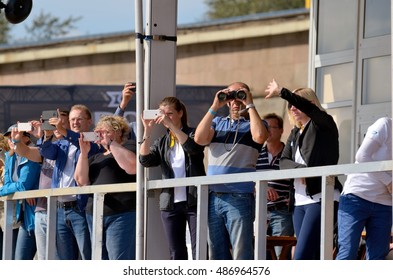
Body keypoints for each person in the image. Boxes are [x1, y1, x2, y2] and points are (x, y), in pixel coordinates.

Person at [264, 79, 342, 260]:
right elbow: (283, 162)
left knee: (300, 257)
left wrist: (282, 91)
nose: (292, 108)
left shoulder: (324, 123)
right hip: (299, 202)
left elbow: (312, 112)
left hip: (321, 197)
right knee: (311, 257)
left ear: (310, 104)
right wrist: (302, 171)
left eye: (296, 103)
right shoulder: (294, 133)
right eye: (290, 105)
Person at [194, 82, 268, 260]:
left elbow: (259, 136)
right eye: (231, 97)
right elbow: (199, 139)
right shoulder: (218, 122)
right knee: (216, 253)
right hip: (213, 196)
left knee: (241, 252)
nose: (235, 101)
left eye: (240, 96)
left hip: (239, 195)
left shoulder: (256, 123)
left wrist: (249, 103)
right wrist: (214, 106)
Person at [139, 97, 205, 260]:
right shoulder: (162, 141)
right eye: (163, 114)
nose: (166, 117)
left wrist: (171, 126)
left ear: (180, 113)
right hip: (170, 202)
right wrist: (147, 131)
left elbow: (193, 149)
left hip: (194, 200)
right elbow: (145, 160)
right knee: (176, 252)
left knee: (199, 249)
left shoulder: (193, 133)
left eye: (170, 114)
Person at [39, 104, 104, 260]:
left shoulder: (94, 140)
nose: (75, 122)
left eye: (79, 119)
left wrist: (62, 131)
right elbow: (46, 152)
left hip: (80, 207)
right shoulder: (62, 143)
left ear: (89, 121)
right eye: (72, 119)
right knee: (64, 259)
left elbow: (80, 141)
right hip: (60, 209)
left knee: (87, 255)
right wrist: (47, 135)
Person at [74, 115, 137, 260]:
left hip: (120, 213)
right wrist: (83, 153)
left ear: (118, 132)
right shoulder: (95, 157)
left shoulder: (129, 147)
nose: (102, 136)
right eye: (99, 132)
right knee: (99, 259)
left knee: (118, 258)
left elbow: (132, 167)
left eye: (106, 132)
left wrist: (111, 144)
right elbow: (81, 180)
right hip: (95, 214)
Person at [12, 109, 70, 260]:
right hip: (42, 210)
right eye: (51, 124)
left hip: (61, 210)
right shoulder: (45, 148)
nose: (55, 127)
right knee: (45, 260)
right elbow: (24, 152)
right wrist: (17, 140)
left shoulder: (72, 148)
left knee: (61, 260)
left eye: (60, 124)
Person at [336, 117, 392, 260]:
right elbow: (362, 156)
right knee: (347, 253)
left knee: (378, 256)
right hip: (356, 196)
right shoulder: (385, 124)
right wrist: (389, 181)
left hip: (385, 203)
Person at [256, 113, 294, 259]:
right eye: (265, 127)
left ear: (281, 130)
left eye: (272, 127)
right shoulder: (256, 153)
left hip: (282, 212)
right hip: (258, 212)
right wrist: (260, 187)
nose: (268, 131)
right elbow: (248, 179)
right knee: (258, 255)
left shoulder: (288, 155)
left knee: (281, 255)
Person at [0, 124, 41, 260]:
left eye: (14, 137)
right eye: (9, 138)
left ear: (26, 138)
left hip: (36, 214)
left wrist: (4, 190)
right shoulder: (10, 156)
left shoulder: (32, 154)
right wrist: (7, 189)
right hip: (22, 214)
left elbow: (23, 185)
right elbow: (7, 184)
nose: (11, 141)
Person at [0, 132, 19, 259]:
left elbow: (14, 184)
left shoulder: (10, 160)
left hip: (10, 215)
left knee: (9, 255)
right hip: (4, 215)